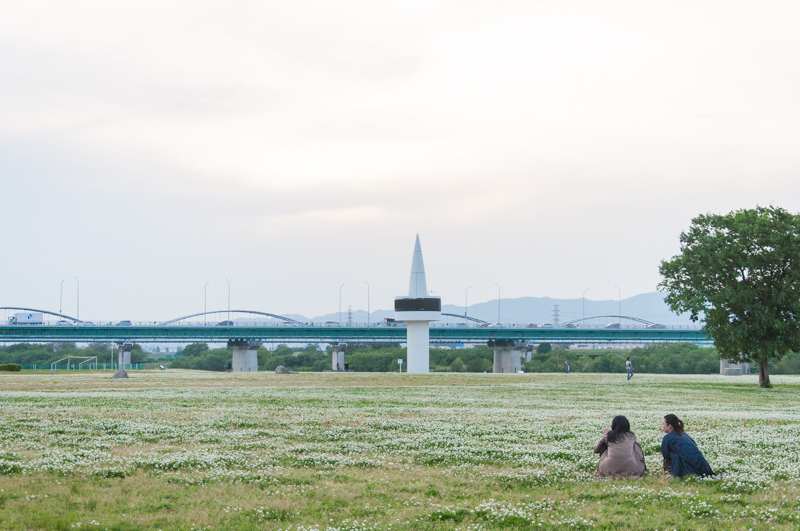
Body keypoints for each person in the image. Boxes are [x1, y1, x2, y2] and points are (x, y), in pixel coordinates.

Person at [661, 414, 714, 478]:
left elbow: (665, 454)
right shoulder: (684, 434)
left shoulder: (667, 438)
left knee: (674, 454)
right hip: (701, 464)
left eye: (663, 424)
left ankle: (676, 474)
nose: (662, 426)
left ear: (669, 426)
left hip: (687, 467)